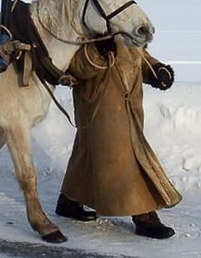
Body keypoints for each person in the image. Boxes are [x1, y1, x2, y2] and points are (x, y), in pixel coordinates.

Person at [55, 36, 182, 239]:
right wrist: (97, 52)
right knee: (128, 160)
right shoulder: (84, 25)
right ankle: (144, 215)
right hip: (100, 107)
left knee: (87, 153)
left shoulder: (123, 25)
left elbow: (139, 56)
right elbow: (75, 67)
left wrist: (156, 70)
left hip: (128, 107)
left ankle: (69, 201)